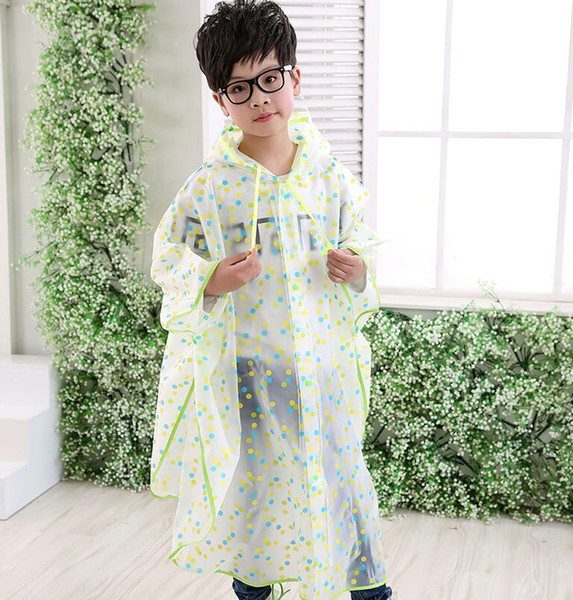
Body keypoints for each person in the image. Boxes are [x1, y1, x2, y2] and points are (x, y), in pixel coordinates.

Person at [149, 1, 393, 599]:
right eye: (239, 88)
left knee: (344, 483)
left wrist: (358, 269)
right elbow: (168, 258)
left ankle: (369, 591)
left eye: (269, 79)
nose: (259, 99)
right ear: (220, 100)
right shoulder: (210, 187)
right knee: (257, 494)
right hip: (250, 376)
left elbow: (364, 245)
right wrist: (210, 279)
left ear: (294, 78)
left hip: (325, 371)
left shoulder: (329, 176)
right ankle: (255, 591)